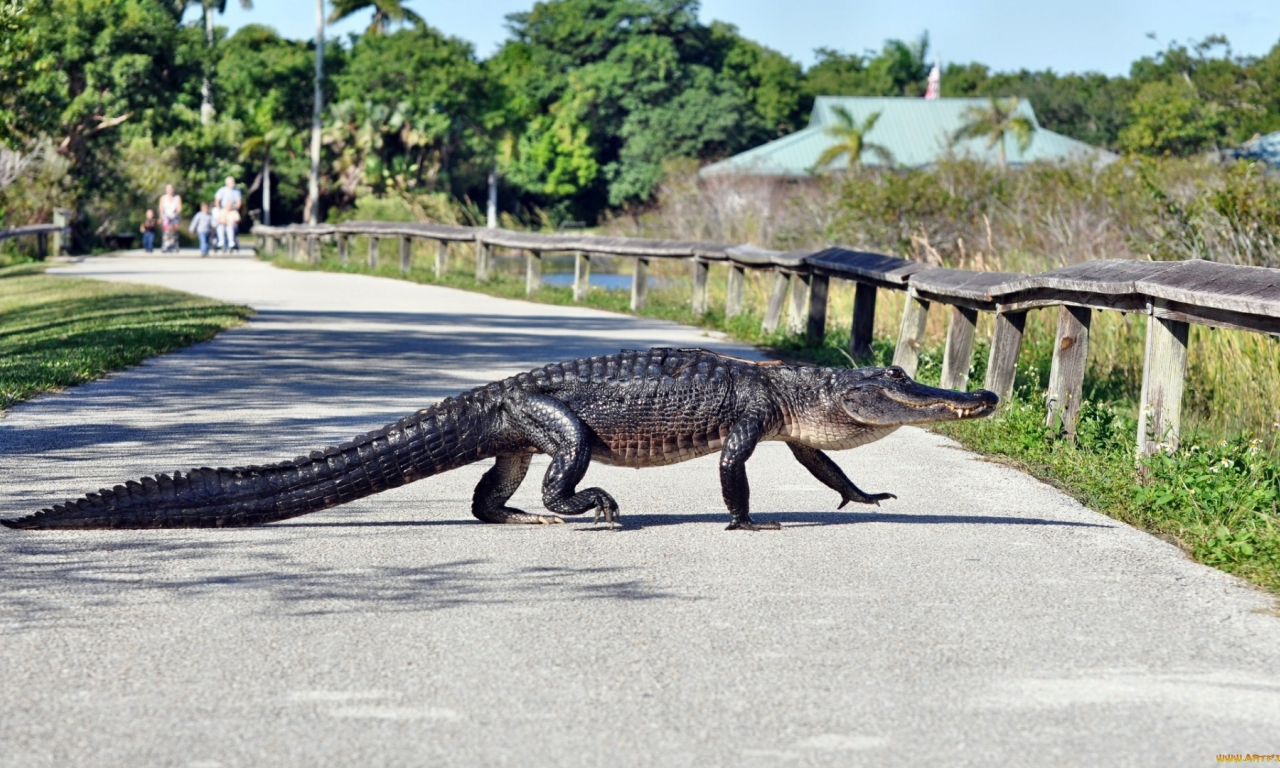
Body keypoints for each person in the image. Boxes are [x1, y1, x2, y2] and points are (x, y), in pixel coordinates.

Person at [159, 184, 182, 253]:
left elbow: (179, 208)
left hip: (174, 217)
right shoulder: (163, 197)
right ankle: (166, 245)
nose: (170, 191)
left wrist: (176, 212)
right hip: (166, 217)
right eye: (168, 189)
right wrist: (162, 216)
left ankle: (174, 244)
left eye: (171, 189)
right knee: (166, 232)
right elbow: (161, 208)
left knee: (174, 232)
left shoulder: (177, 197)